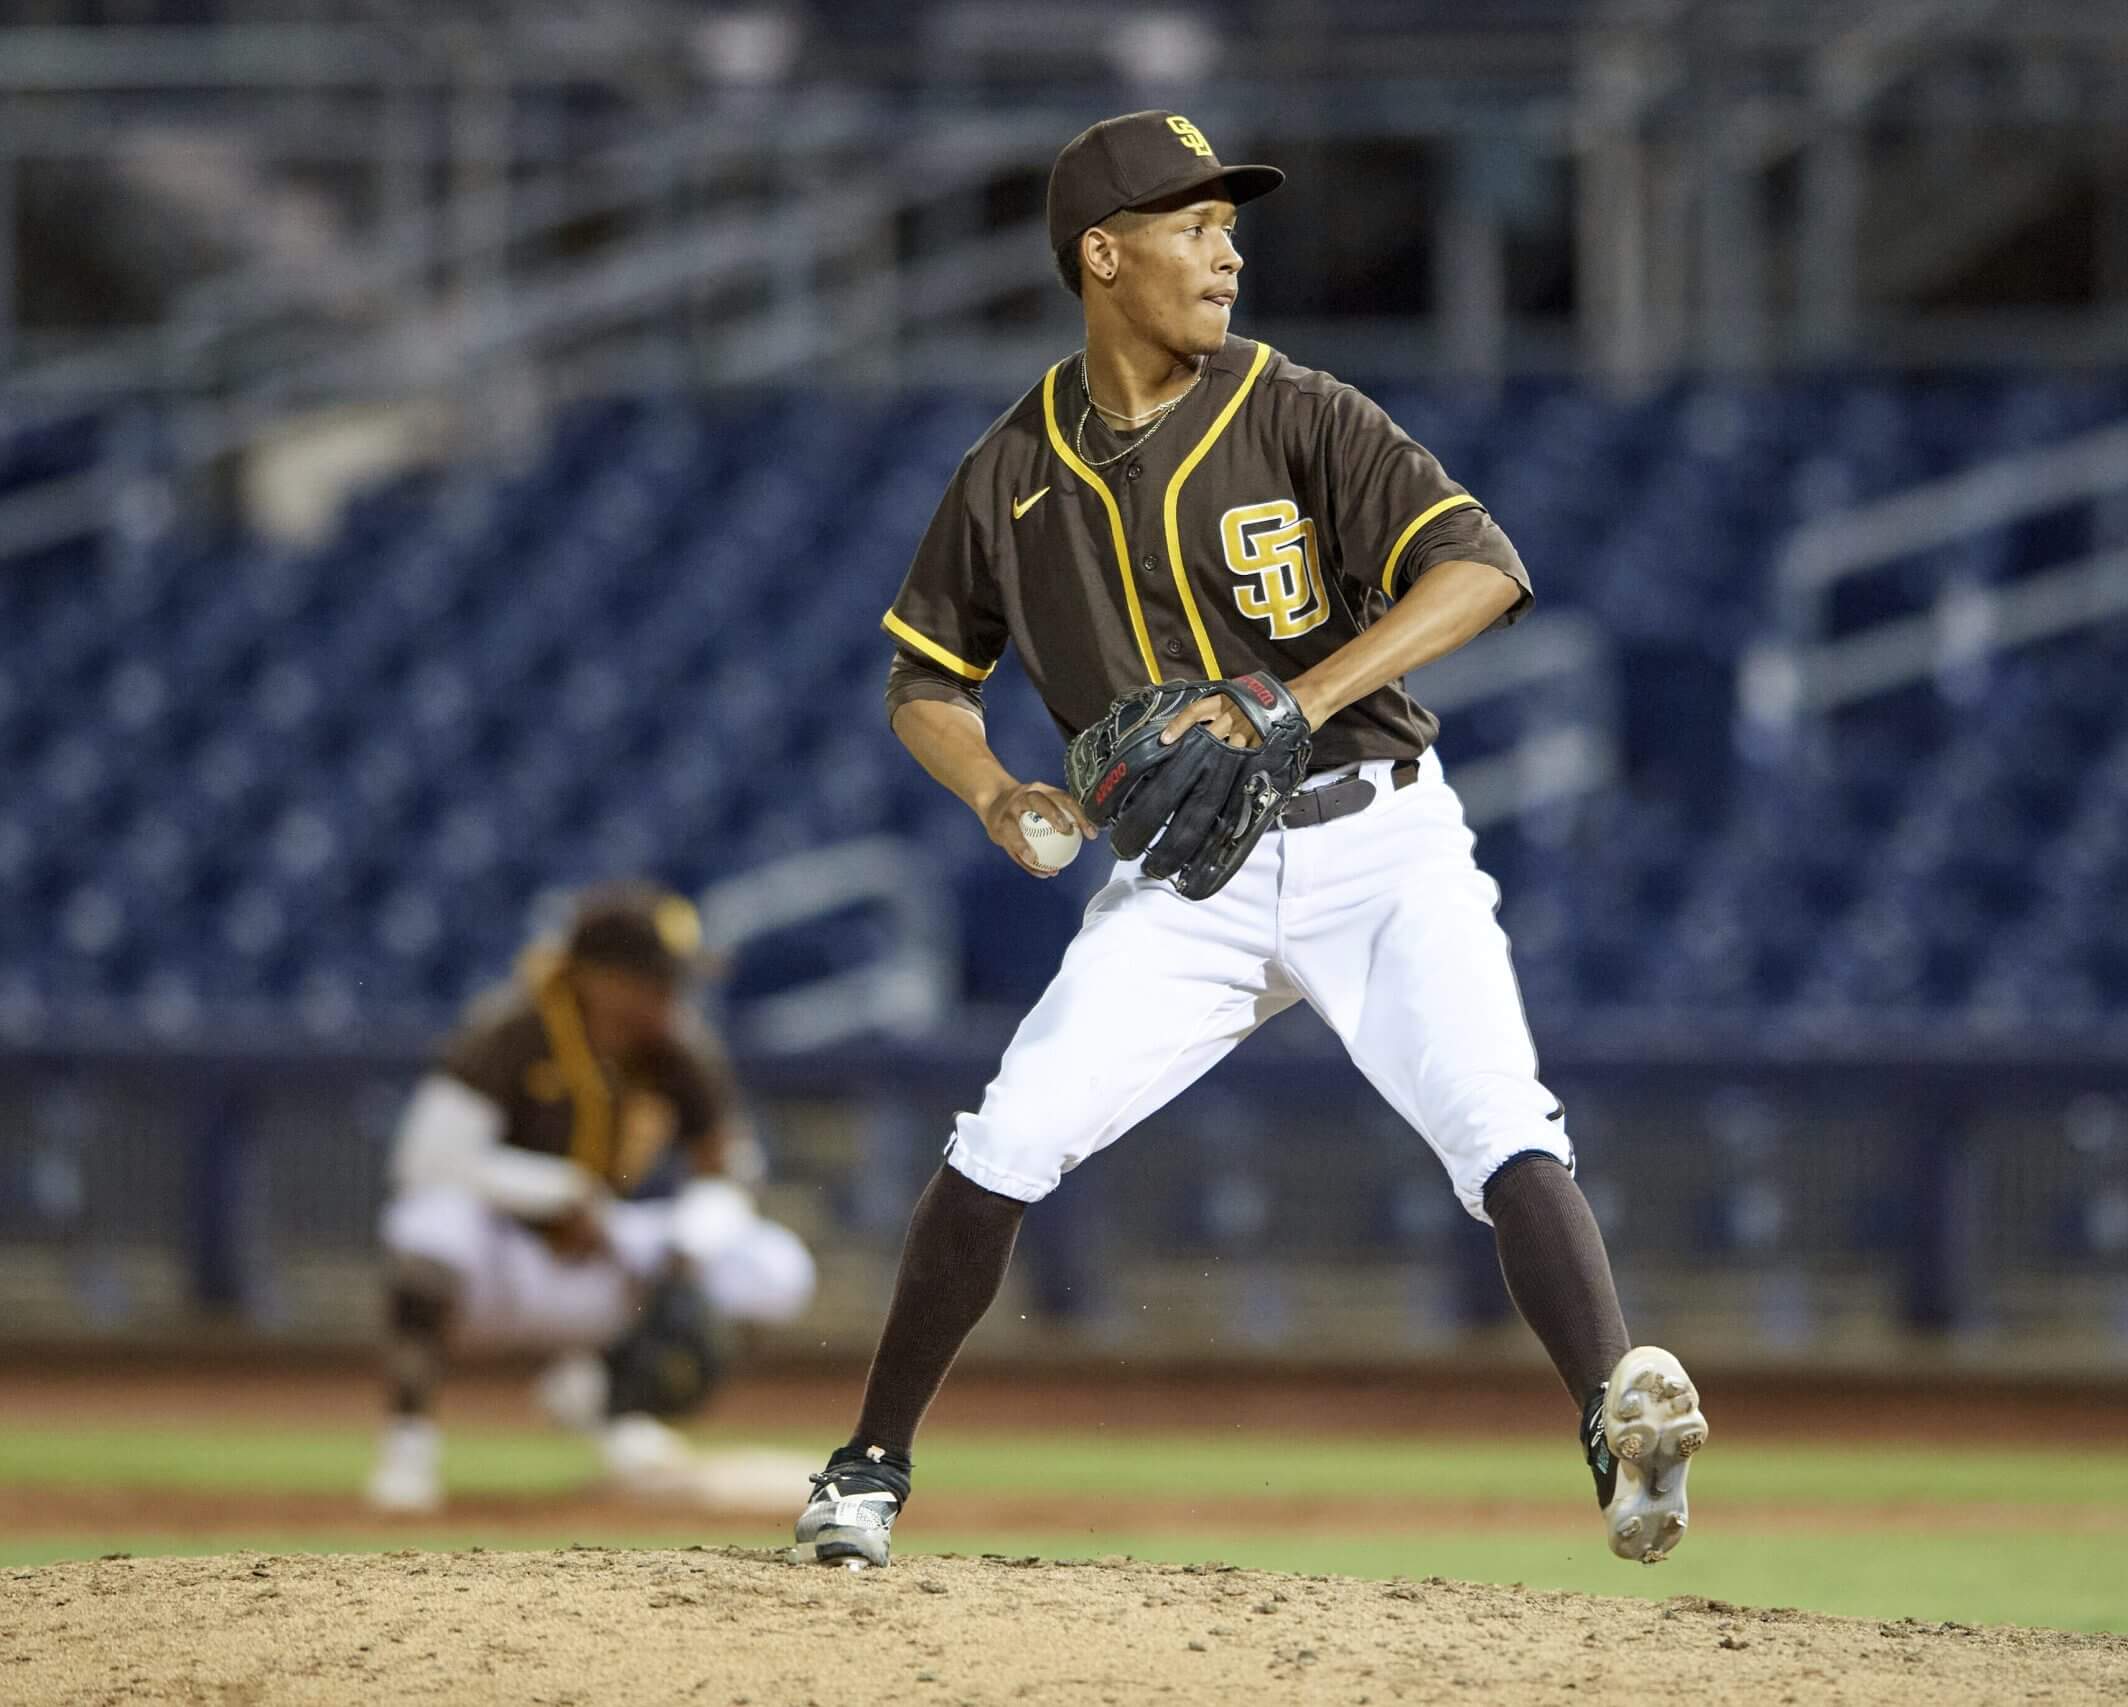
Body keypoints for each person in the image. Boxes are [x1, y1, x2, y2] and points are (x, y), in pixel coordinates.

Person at [796, 111, 1704, 1569]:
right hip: (1183, 882)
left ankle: (1613, 1415)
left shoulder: (1298, 411)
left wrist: (1293, 698)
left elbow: (1483, 569)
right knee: (1001, 1142)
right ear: (1105, 255)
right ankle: (867, 1464)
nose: (1229, 249)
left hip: (1379, 841)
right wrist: (996, 791)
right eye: (1193, 224)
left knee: (1502, 1125)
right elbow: (921, 678)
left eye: (1230, 223)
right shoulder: (1012, 469)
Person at [365, 881, 816, 1513]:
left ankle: (607, 1398)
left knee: (773, 1266)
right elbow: (425, 1162)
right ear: (595, 976)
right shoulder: (513, 1030)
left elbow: (732, 1172)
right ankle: (408, 1446)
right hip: (501, 1261)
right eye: (653, 979)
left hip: (606, 1256)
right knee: (426, 1227)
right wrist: (552, 1192)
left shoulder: (680, 1047)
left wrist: (686, 1245)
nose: (670, 997)